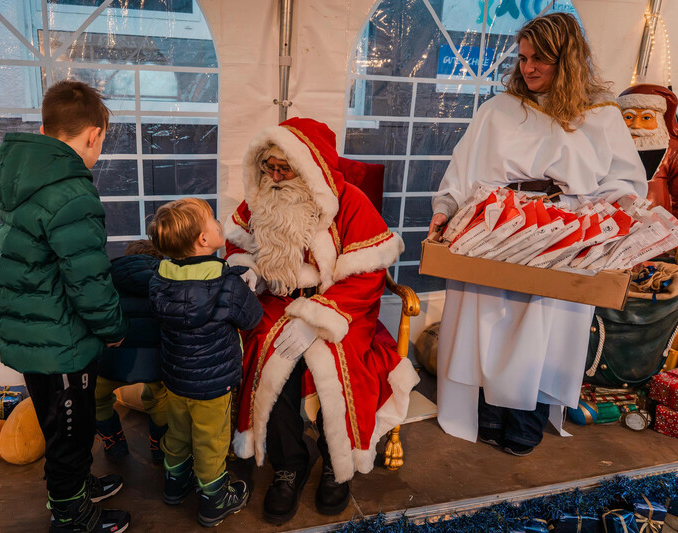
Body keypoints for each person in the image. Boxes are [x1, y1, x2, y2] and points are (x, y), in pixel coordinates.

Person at [428, 13, 647, 456]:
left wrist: (618, 221)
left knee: (540, 329)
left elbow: (624, 182)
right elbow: (461, 169)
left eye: (541, 59)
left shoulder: (601, 117)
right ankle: (490, 411)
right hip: (497, 228)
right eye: (524, 58)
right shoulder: (498, 110)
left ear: (567, 61)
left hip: (562, 233)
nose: (528, 68)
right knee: (489, 322)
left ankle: (524, 416)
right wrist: (444, 209)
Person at [225, 117, 416, 525]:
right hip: (275, 302)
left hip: (338, 305)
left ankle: (336, 460)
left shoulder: (350, 202)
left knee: (340, 357)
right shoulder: (259, 198)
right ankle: (288, 464)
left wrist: (318, 318)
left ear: (310, 166)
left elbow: (368, 275)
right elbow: (237, 247)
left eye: (284, 168)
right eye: (268, 167)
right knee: (264, 351)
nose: (274, 177)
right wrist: (248, 272)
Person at [0, 79, 130, 533]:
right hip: (61, 341)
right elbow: (88, 279)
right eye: (102, 141)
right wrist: (112, 327)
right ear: (94, 134)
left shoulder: (23, 177)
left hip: (34, 336)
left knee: (60, 426)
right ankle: (72, 516)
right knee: (70, 433)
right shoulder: (71, 192)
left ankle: (75, 487)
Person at [147, 198, 263, 528]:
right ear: (203, 240)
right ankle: (214, 501)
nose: (217, 224)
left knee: (179, 432)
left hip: (176, 378)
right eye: (212, 220)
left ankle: (174, 484)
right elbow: (252, 317)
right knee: (211, 440)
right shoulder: (225, 282)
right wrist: (244, 285)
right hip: (213, 384)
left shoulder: (159, 279)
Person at [94, 240, 169, 464]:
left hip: (112, 359)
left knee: (98, 398)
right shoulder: (166, 281)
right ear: (158, 258)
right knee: (159, 399)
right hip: (154, 362)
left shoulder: (106, 280)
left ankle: (113, 441)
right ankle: (159, 446)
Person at [617, 84, 678, 215]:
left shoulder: (672, 149)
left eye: (646, 118)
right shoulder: (610, 146)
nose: (636, 125)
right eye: (628, 117)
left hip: (659, 221)